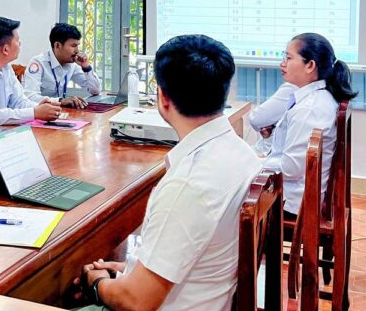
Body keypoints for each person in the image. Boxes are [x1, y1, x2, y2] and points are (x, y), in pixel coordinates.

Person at [74, 34, 260, 311]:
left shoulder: (188, 185)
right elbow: (204, 251)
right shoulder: (243, 154)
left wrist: (96, 283)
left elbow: (136, 301)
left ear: (162, 98)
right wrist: (133, 269)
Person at [256, 33, 356, 218]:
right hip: (298, 194)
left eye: (288, 58)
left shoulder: (309, 108)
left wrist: (256, 162)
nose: (282, 64)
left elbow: (290, 169)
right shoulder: (314, 97)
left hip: (293, 204)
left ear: (310, 65)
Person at [22, 23, 101, 108]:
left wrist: (86, 67)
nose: (77, 51)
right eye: (73, 46)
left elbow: (95, 91)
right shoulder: (38, 63)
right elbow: (30, 97)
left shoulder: (72, 64)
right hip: (40, 113)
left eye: (77, 46)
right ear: (57, 46)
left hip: (59, 112)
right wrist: (60, 101)